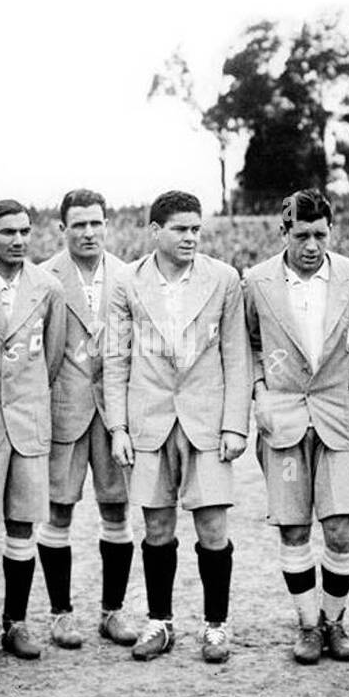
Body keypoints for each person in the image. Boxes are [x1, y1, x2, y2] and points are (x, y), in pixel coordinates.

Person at [103, 190, 251, 664]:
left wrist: (234, 425)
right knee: (157, 525)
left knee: (212, 526)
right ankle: (160, 622)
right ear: (155, 232)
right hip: (150, 421)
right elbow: (115, 359)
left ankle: (216, 626)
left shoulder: (224, 279)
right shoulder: (127, 282)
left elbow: (236, 355)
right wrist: (119, 427)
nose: (190, 237)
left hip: (206, 422)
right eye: (180, 229)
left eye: (195, 229)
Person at [243, 189, 349, 664]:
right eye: (302, 235)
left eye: (321, 234)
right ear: (285, 233)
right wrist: (260, 394)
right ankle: (306, 627)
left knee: (340, 530)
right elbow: (251, 345)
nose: (312, 246)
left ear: (331, 232)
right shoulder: (256, 281)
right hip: (283, 418)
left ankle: (334, 621)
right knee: (295, 531)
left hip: (338, 417)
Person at [0, 200, 66, 663]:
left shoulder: (48, 286)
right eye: (7, 232)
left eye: (25, 231)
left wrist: (28, 401)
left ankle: (17, 622)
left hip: (28, 423)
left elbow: (54, 356)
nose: (19, 240)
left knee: (23, 525)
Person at [37, 189, 136, 649]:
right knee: (58, 509)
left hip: (117, 410)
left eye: (96, 223)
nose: (89, 232)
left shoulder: (130, 275)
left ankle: (112, 612)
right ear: (63, 229)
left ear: (106, 224)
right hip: (65, 410)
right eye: (78, 224)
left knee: (116, 508)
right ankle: (60, 615)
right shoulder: (43, 278)